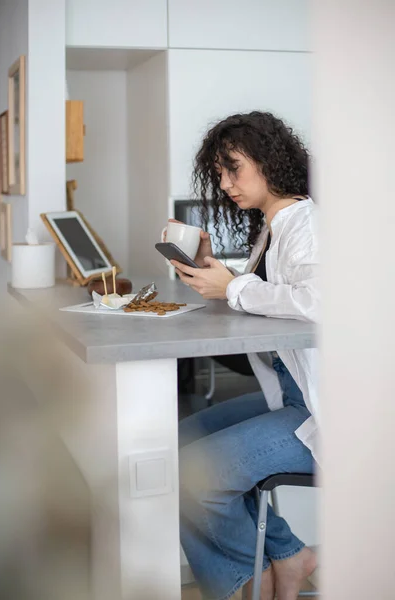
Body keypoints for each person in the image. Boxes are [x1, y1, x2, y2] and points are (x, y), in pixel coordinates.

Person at [172, 111, 319, 600]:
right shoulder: (272, 227)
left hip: (325, 409)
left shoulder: (308, 224)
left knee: (191, 476)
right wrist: (217, 274)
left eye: (233, 168)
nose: (224, 182)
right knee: (173, 444)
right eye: (219, 173)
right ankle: (288, 553)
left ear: (268, 162)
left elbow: (319, 303)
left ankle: (247, 585)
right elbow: (265, 298)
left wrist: (235, 286)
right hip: (291, 394)